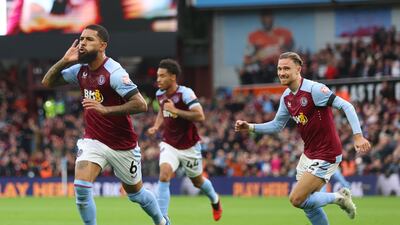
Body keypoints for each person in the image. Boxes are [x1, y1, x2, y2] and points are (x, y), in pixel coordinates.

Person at [41, 24, 169, 225]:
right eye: (81, 39)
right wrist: (64, 60)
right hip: (93, 140)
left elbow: (141, 104)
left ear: (102, 45)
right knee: (81, 189)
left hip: (122, 145)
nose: (82, 43)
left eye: (88, 40)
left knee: (136, 195)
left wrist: (105, 110)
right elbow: (47, 83)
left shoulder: (114, 72)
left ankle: (161, 221)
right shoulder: (80, 71)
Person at [235, 52, 371, 225]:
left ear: (298, 69)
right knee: (309, 205)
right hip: (309, 154)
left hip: (327, 153)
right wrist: (251, 127)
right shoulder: (287, 97)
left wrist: (358, 137)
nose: (282, 72)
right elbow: (277, 125)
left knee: (296, 199)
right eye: (279, 68)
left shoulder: (314, 90)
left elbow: (347, 106)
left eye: (286, 68)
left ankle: (339, 198)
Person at [147, 59, 223, 221]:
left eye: (162, 76)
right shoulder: (159, 94)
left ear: (173, 77)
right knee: (164, 174)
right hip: (169, 143)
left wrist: (176, 110)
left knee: (197, 181)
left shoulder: (185, 93)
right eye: (157, 76)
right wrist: (156, 126)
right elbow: (162, 111)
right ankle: (162, 218)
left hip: (189, 146)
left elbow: (200, 115)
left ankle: (215, 200)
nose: (158, 79)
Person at [240, 10, 294, 84]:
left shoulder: (284, 33)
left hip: (281, 69)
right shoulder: (254, 36)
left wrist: (280, 49)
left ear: (273, 18)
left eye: (269, 16)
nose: (267, 20)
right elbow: (247, 60)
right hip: (262, 72)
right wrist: (259, 56)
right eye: (264, 17)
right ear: (261, 19)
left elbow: (294, 54)